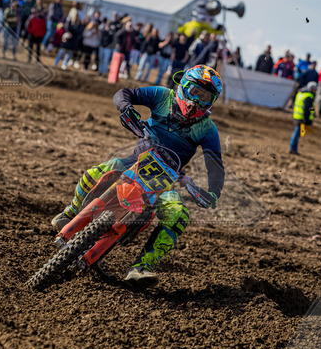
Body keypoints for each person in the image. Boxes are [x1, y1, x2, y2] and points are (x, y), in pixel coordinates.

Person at [51, 65, 224, 288]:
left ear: (212, 102)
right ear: (183, 86)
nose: (197, 102)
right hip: (135, 161)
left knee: (178, 214)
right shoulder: (163, 96)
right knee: (99, 171)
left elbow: (215, 165)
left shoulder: (207, 128)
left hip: (166, 180)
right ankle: (72, 211)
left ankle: (142, 266)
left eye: (205, 98)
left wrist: (213, 193)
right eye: (195, 92)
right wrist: (126, 108)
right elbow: (124, 93)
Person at [289, 81, 316, 155]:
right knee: (297, 133)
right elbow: (307, 109)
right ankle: (293, 149)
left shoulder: (301, 93)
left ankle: (293, 148)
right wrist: (307, 120)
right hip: (302, 118)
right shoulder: (309, 96)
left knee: (297, 132)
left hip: (297, 116)